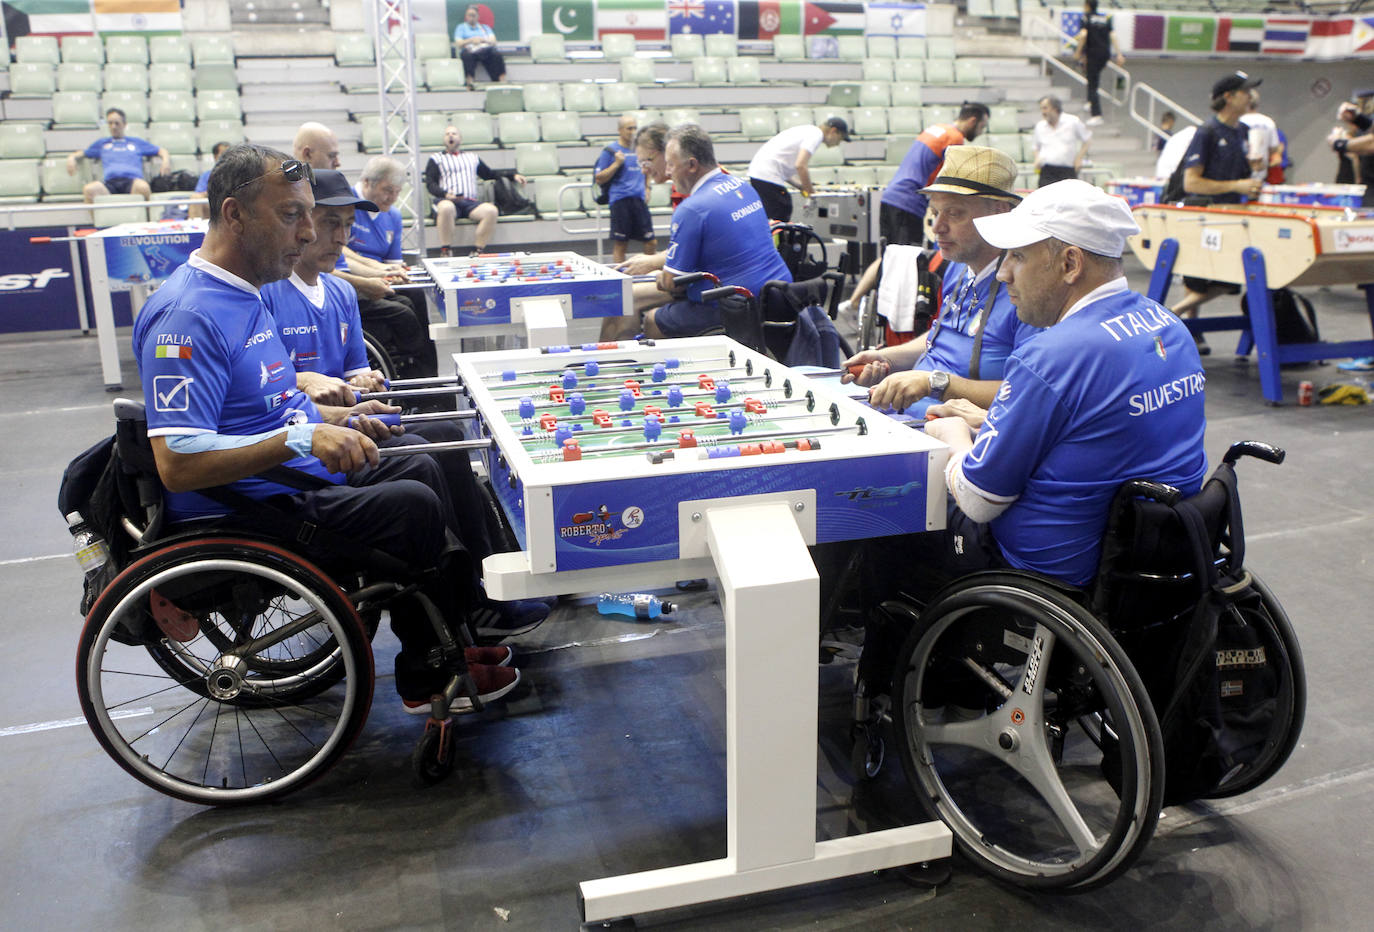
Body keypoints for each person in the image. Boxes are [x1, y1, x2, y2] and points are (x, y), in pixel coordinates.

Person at [130, 143, 520, 713]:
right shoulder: (187, 316)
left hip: (289, 475)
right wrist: (303, 437)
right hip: (245, 505)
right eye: (292, 215)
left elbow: (273, 408)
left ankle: (455, 633)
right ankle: (429, 674)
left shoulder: (247, 293)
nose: (310, 233)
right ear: (235, 215)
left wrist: (340, 418)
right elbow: (179, 462)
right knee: (410, 500)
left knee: (420, 454)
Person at [259, 170, 549, 643]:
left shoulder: (338, 291)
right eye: (330, 223)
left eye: (348, 225)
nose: (340, 237)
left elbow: (355, 370)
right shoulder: (267, 292)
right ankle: (466, 607)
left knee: (450, 441)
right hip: (314, 441)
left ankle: (486, 583)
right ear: (301, 222)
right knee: (424, 459)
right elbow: (259, 380)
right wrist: (306, 379)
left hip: (356, 423)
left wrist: (362, 378)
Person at [840, 147, 1036, 418]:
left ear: (1000, 212)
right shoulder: (958, 265)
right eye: (935, 212)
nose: (937, 227)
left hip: (947, 428)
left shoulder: (1028, 290)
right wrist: (888, 358)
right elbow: (938, 336)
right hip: (903, 409)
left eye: (954, 213)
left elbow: (1028, 393)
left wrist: (933, 382)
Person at [613, 123, 791, 340]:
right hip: (777, 292)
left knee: (652, 318)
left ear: (692, 165)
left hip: (734, 304)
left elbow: (672, 283)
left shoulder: (693, 208)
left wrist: (661, 274)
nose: (668, 172)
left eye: (671, 164)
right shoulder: (742, 185)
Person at [841, 103, 990, 314]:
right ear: (973, 120)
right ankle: (889, 312)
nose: (981, 131)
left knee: (890, 257)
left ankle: (854, 302)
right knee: (904, 260)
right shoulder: (955, 138)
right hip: (908, 202)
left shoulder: (936, 129)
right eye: (982, 126)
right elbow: (951, 179)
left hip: (892, 196)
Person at [1169, 72, 1265, 352]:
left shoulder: (1243, 132)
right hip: (1203, 215)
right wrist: (1237, 184)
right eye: (1245, 92)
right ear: (1228, 97)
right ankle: (1182, 323)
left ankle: (1174, 315)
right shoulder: (1207, 132)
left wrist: (1249, 171)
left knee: (1232, 277)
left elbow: (1236, 173)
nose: (1251, 97)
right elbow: (1191, 182)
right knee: (1199, 276)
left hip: (1233, 214)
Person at [425, 124, 526, 258]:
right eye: (447, 134)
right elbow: (430, 183)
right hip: (447, 200)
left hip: (470, 202)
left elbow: (489, 174)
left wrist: (512, 175)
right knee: (446, 208)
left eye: (454, 133)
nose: (450, 136)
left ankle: (478, 250)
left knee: (491, 210)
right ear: (444, 140)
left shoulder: (472, 158)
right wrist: (445, 195)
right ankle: (446, 250)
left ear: (460, 139)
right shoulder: (436, 159)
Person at [745, 117, 850, 222]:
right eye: (840, 139)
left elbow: (785, 170)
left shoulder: (809, 131)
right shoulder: (816, 134)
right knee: (781, 211)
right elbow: (801, 166)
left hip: (760, 173)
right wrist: (811, 192)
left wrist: (802, 186)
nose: (838, 144)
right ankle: (779, 238)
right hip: (766, 174)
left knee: (776, 212)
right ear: (833, 131)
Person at [66, 108, 170, 204]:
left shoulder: (136, 142)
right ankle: (99, 223)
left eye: (117, 123)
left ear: (124, 124)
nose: (113, 126)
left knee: (143, 187)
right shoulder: (102, 144)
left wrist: (165, 161)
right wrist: (71, 158)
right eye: (110, 123)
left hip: (132, 181)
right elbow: (83, 153)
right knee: (89, 190)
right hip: (109, 183)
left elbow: (161, 150)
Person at [594, 114, 657, 265]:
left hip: (638, 200)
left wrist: (647, 187)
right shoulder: (610, 151)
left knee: (651, 242)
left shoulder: (640, 149)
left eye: (635, 128)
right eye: (629, 128)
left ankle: (647, 271)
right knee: (621, 244)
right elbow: (599, 178)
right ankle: (621, 277)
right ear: (620, 130)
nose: (633, 131)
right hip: (620, 201)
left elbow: (647, 168)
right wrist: (616, 164)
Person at [1073, 0, 1124, 127]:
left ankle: (1096, 115)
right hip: (1104, 54)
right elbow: (1112, 35)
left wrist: (1078, 52)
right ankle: (1090, 102)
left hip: (1093, 54)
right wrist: (1119, 54)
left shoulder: (1086, 18)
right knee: (1093, 78)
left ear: (1087, 6)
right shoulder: (1105, 18)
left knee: (1092, 84)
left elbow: (1083, 35)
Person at [1032, 95, 1091, 188]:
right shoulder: (1040, 126)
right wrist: (1037, 159)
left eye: (1045, 108)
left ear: (1055, 108)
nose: (1043, 112)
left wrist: (1079, 158)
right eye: (1041, 109)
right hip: (1047, 171)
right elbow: (1035, 146)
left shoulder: (1072, 122)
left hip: (1067, 170)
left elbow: (1087, 140)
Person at [453, 4, 506, 90]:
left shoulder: (485, 28)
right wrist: (471, 40)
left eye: (474, 15)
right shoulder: (461, 27)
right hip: (469, 50)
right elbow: (458, 43)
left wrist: (482, 40)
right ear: (466, 16)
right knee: (467, 56)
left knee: (497, 55)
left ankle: (501, 81)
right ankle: (469, 83)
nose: (472, 17)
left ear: (478, 16)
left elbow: (493, 41)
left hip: (484, 49)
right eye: (469, 15)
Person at [1240, 88, 1283, 184]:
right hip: (1260, 178)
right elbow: (1273, 149)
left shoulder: (1238, 122)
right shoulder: (1268, 122)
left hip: (1239, 178)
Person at [189, 140, 232, 219]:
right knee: (195, 197)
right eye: (223, 154)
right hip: (214, 204)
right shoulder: (207, 175)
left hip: (232, 204)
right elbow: (200, 193)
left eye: (229, 154)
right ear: (215, 157)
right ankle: (196, 227)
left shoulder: (239, 173)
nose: (227, 157)